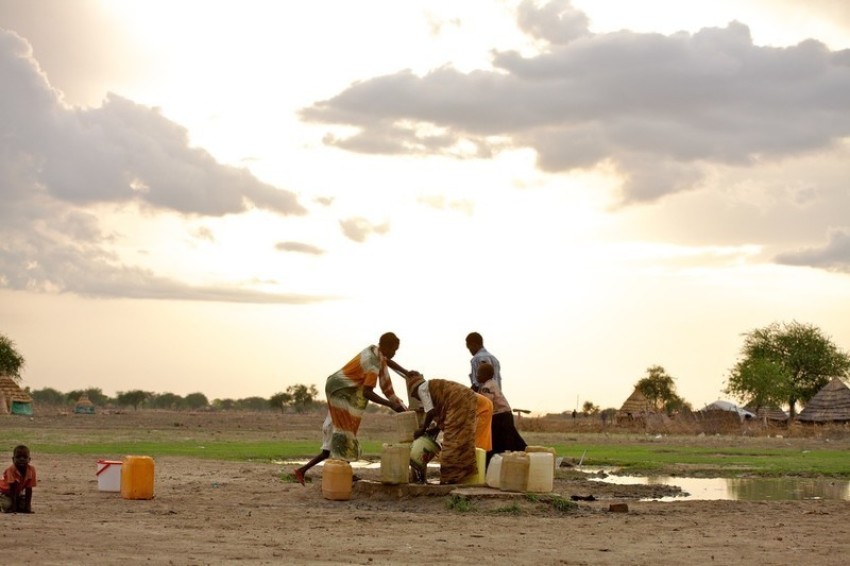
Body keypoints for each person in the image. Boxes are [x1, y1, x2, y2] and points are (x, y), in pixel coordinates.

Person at [294, 332, 409, 486]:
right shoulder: (372, 363)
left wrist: (406, 373)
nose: (394, 354)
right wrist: (390, 404)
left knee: (335, 438)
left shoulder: (375, 351)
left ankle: (303, 470)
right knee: (345, 432)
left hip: (337, 387)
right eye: (394, 350)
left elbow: (387, 361)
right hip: (341, 391)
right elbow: (367, 392)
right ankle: (344, 473)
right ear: (386, 347)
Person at [406, 374, 478, 484]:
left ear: (415, 390)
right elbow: (440, 413)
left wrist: (422, 429)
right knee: (464, 437)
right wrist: (434, 430)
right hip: (468, 397)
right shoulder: (433, 388)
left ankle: (449, 478)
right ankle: (463, 477)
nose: (416, 398)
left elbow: (430, 412)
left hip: (457, 400)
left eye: (414, 396)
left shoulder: (422, 389)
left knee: (451, 441)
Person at [476, 362, 526, 464]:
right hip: (505, 414)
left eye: (479, 373)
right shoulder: (493, 383)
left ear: (486, 375)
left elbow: (486, 404)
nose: (476, 376)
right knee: (512, 441)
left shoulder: (486, 387)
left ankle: (489, 463)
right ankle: (525, 456)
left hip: (499, 417)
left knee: (494, 441)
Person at [0, 445, 36, 513]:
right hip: (5, 493)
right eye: (18, 457)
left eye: (25, 457)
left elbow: (29, 489)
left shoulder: (31, 470)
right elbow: (12, 489)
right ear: (13, 459)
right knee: (7, 506)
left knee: (22, 507)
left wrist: (27, 507)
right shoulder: (11, 470)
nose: (21, 459)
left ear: (29, 459)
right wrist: (14, 508)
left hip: (17, 493)